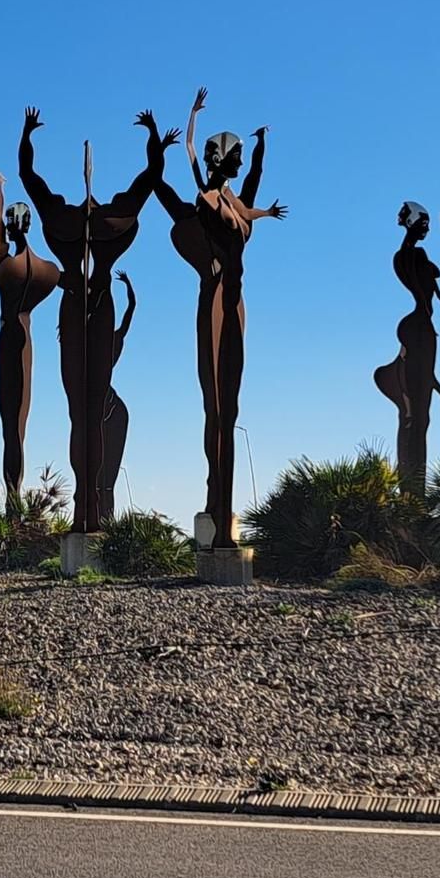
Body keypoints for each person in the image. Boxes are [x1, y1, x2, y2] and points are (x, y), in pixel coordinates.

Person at [17, 105, 175, 534]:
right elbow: (30, 177)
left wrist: (154, 136)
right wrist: (27, 134)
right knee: (79, 412)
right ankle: (85, 506)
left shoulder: (72, 216)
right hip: (86, 306)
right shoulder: (100, 216)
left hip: (88, 306)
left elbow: (149, 176)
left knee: (88, 410)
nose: (88, 198)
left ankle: (92, 508)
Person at [149, 88, 285, 550]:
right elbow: (188, 159)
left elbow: (253, 196)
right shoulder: (207, 199)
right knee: (216, 407)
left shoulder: (236, 203)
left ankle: (222, 510)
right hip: (213, 301)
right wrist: (190, 118)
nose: (244, 163)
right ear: (221, 158)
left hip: (237, 304)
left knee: (233, 407)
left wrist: (264, 144)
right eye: (239, 156)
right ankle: (216, 505)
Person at [373, 201, 440, 495]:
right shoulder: (413, 254)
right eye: (424, 224)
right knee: (417, 415)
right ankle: (411, 489)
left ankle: (411, 488)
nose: (428, 229)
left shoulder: (405, 256)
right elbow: (430, 294)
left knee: (419, 416)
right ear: (413, 223)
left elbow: (433, 294)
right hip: (418, 327)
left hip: (420, 326)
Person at [0, 169, 61, 508]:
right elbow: (76, 285)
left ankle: (12, 502)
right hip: (28, 344)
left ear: (11, 225)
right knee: (21, 423)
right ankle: (14, 500)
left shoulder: (7, 266)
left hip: (7, 340)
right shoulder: (49, 270)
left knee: (9, 427)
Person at [98, 272, 137, 521]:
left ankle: (106, 521)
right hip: (100, 406)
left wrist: (129, 288)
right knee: (96, 475)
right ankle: (100, 518)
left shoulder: (112, 340)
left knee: (107, 477)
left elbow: (130, 310)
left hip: (112, 410)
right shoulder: (91, 342)